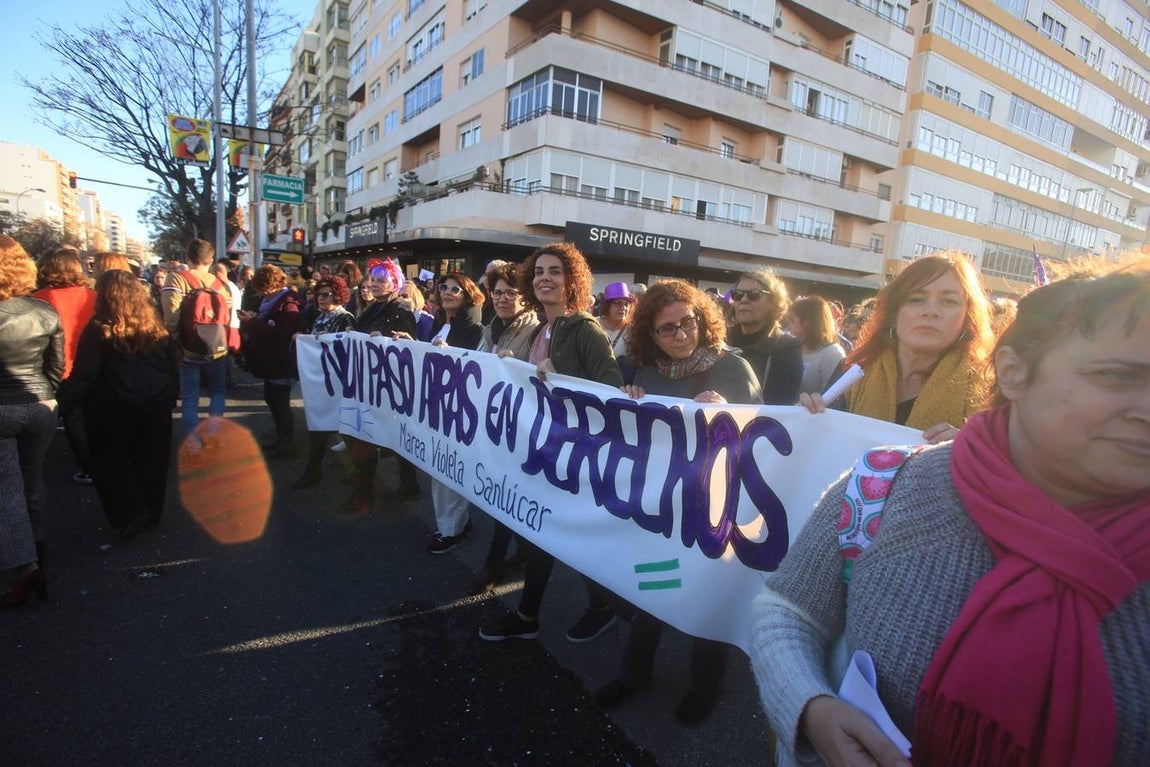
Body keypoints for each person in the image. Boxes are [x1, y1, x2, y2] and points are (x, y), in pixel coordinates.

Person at [750, 257, 1150, 766]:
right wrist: (809, 707)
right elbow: (788, 609)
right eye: (1118, 377)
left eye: (948, 300)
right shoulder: (884, 484)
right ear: (1015, 371)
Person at [595, 279, 761, 725]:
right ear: (650, 334)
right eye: (667, 329)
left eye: (687, 322)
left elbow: (769, 443)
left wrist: (733, 416)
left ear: (702, 319)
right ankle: (634, 676)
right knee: (651, 589)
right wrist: (628, 403)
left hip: (716, 509)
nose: (681, 334)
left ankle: (705, 687)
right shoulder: (645, 372)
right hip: (661, 507)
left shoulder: (733, 368)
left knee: (707, 599)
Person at [479, 242, 623, 644]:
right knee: (544, 532)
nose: (545, 277)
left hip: (575, 453)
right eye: (539, 271)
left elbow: (609, 391)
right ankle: (536, 615)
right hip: (545, 448)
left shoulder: (584, 328)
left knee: (562, 536)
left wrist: (563, 378)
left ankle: (594, 607)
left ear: (571, 280)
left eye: (555, 271)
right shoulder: (545, 327)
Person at [800, 253, 994, 441]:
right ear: (893, 313)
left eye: (948, 301)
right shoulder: (852, 372)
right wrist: (804, 418)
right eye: (916, 299)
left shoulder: (988, 392)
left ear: (968, 317)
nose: (931, 311)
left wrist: (971, 452)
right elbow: (818, 446)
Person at [57, 271, 179, 540]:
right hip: (155, 404)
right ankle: (150, 512)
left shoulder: (100, 328)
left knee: (106, 463)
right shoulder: (154, 325)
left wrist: (62, 404)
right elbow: (171, 365)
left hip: (113, 408)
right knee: (152, 462)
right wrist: (171, 396)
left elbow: (85, 374)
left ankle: (129, 512)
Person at [469, 262, 540, 595]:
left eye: (512, 292)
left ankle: (493, 563)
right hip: (498, 424)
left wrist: (520, 366)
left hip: (523, 431)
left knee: (506, 496)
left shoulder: (536, 330)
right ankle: (523, 550)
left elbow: (542, 375)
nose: (503, 298)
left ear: (524, 297)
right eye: (497, 292)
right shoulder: (492, 326)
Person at [0, 236, 63, 607]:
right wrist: (47, 396)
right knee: (32, 479)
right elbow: (55, 367)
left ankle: (26, 567)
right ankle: (39, 547)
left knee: (7, 491)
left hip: (3, 407)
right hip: (41, 403)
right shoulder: (44, 311)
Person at [342, 259, 419, 514]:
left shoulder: (400, 311)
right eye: (372, 280)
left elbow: (410, 350)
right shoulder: (374, 308)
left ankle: (365, 494)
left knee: (373, 437)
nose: (374, 284)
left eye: (381, 280)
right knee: (377, 437)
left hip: (386, 389)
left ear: (394, 282)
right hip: (368, 385)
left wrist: (385, 341)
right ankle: (382, 485)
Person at [419, 272, 485, 553]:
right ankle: (456, 524)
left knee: (450, 472)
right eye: (444, 287)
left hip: (457, 412)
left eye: (455, 289)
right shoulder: (438, 322)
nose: (447, 292)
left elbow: (475, 367)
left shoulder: (474, 328)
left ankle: (452, 530)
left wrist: (450, 356)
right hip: (437, 407)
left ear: (467, 295)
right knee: (439, 469)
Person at [32, 248, 97, 485]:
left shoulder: (38, 299)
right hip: (94, 364)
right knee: (95, 413)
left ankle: (88, 467)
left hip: (58, 368)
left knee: (73, 416)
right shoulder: (93, 296)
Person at [161, 239, 231, 444]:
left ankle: (194, 443)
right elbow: (228, 319)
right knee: (217, 392)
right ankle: (214, 434)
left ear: (188, 257)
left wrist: (175, 343)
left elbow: (171, 317)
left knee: (190, 399)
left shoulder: (176, 279)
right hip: (218, 347)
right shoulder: (221, 284)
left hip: (188, 348)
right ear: (211, 259)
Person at [291, 275, 356, 488]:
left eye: (327, 294)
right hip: (320, 384)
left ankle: (357, 473)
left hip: (336, 384)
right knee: (320, 427)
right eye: (319, 294)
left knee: (343, 428)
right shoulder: (320, 318)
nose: (321, 298)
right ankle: (314, 471)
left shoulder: (346, 318)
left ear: (337, 295)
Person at [239, 264, 303, 459]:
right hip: (271, 360)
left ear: (273, 285)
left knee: (280, 402)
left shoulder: (289, 303)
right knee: (272, 399)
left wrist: (253, 322)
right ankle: (281, 439)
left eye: (265, 290)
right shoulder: (274, 301)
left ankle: (287, 444)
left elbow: (282, 333)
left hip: (280, 361)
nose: (263, 295)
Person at [727, 268, 803, 405]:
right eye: (737, 294)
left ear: (773, 302)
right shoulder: (721, 341)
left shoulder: (787, 347)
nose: (744, 300)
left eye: (754, 294)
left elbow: (777, 405)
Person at [789, 296, 846, 397]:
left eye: (792, 321)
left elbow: (832, 396)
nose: (789, 326)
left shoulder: (832, 354)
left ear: (807, 323)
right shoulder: (791, 347)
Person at [596, 281, 635, 358]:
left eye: (626, 304)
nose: (623, 308)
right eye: (618, 303)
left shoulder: (632, 331)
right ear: (607, 305)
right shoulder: (593, 325)